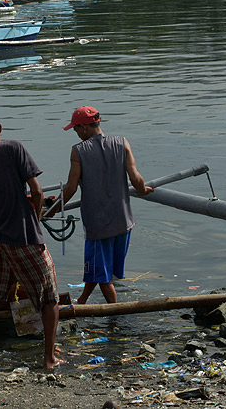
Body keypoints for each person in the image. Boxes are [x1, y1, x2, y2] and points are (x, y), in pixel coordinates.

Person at [0, 111, 64, 369]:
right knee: (50, 297)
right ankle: (49, 357)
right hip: (24, 237)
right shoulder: (13, 147)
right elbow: (37, 190)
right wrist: (36, 218)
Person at [51, 106, 153, 305]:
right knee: (99, 268)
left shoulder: (78, 151)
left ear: (85, 128)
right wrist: (143, 190)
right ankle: (82, 302)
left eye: (76, 129)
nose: (76, 133)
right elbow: (135, 178)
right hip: (124, 222)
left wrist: (49, 212)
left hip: (99, 226)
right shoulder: (122, 143)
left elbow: (71, 188)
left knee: (104, 277)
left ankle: (114, 314)